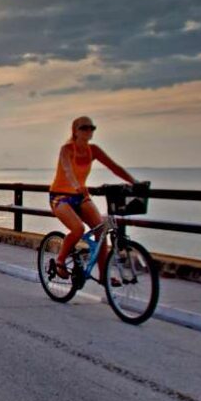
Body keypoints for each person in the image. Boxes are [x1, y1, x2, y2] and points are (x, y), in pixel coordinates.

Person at [49, 116, 138, 284]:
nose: (89, 131)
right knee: (78, 229)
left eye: (92, 128)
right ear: (75, 131)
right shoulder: (67, 149)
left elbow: (114, 167)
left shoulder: (93, 150)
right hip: (60, 196)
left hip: (80, 196)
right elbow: (67, 170)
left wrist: (135, 183)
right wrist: (76, 185)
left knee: (101, 230)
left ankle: (104, 276)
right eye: (84, 127)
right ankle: (60, 260)